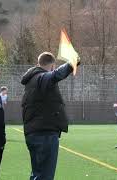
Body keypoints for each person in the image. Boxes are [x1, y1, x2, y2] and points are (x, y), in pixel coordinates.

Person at [21, 52, 79, 180]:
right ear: (52, 66)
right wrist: (72, 63)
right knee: (44, 176)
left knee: (37, 174)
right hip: (44, 134)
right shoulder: (41, 77)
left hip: (34, 133)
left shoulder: (31, 80)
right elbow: (56, 75)